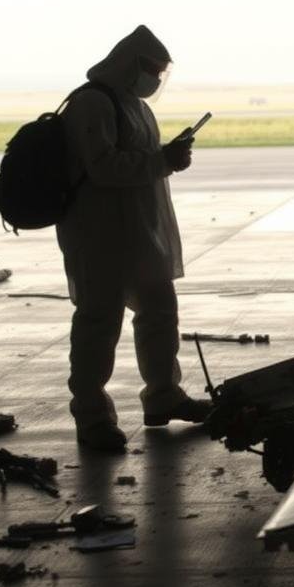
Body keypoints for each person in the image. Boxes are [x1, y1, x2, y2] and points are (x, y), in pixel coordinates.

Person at [56, 25, 211, 453]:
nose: (156, 80)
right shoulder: (93, 103)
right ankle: (91, 417)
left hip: (139, 235)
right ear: (131, 64)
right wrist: (164, 160)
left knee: (159, 310)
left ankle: (163, 395)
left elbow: (142, 162)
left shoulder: (135, 106)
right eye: (153, 71)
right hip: (99, 237)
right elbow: (104, 167)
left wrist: (166, 158)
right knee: (98, 324)